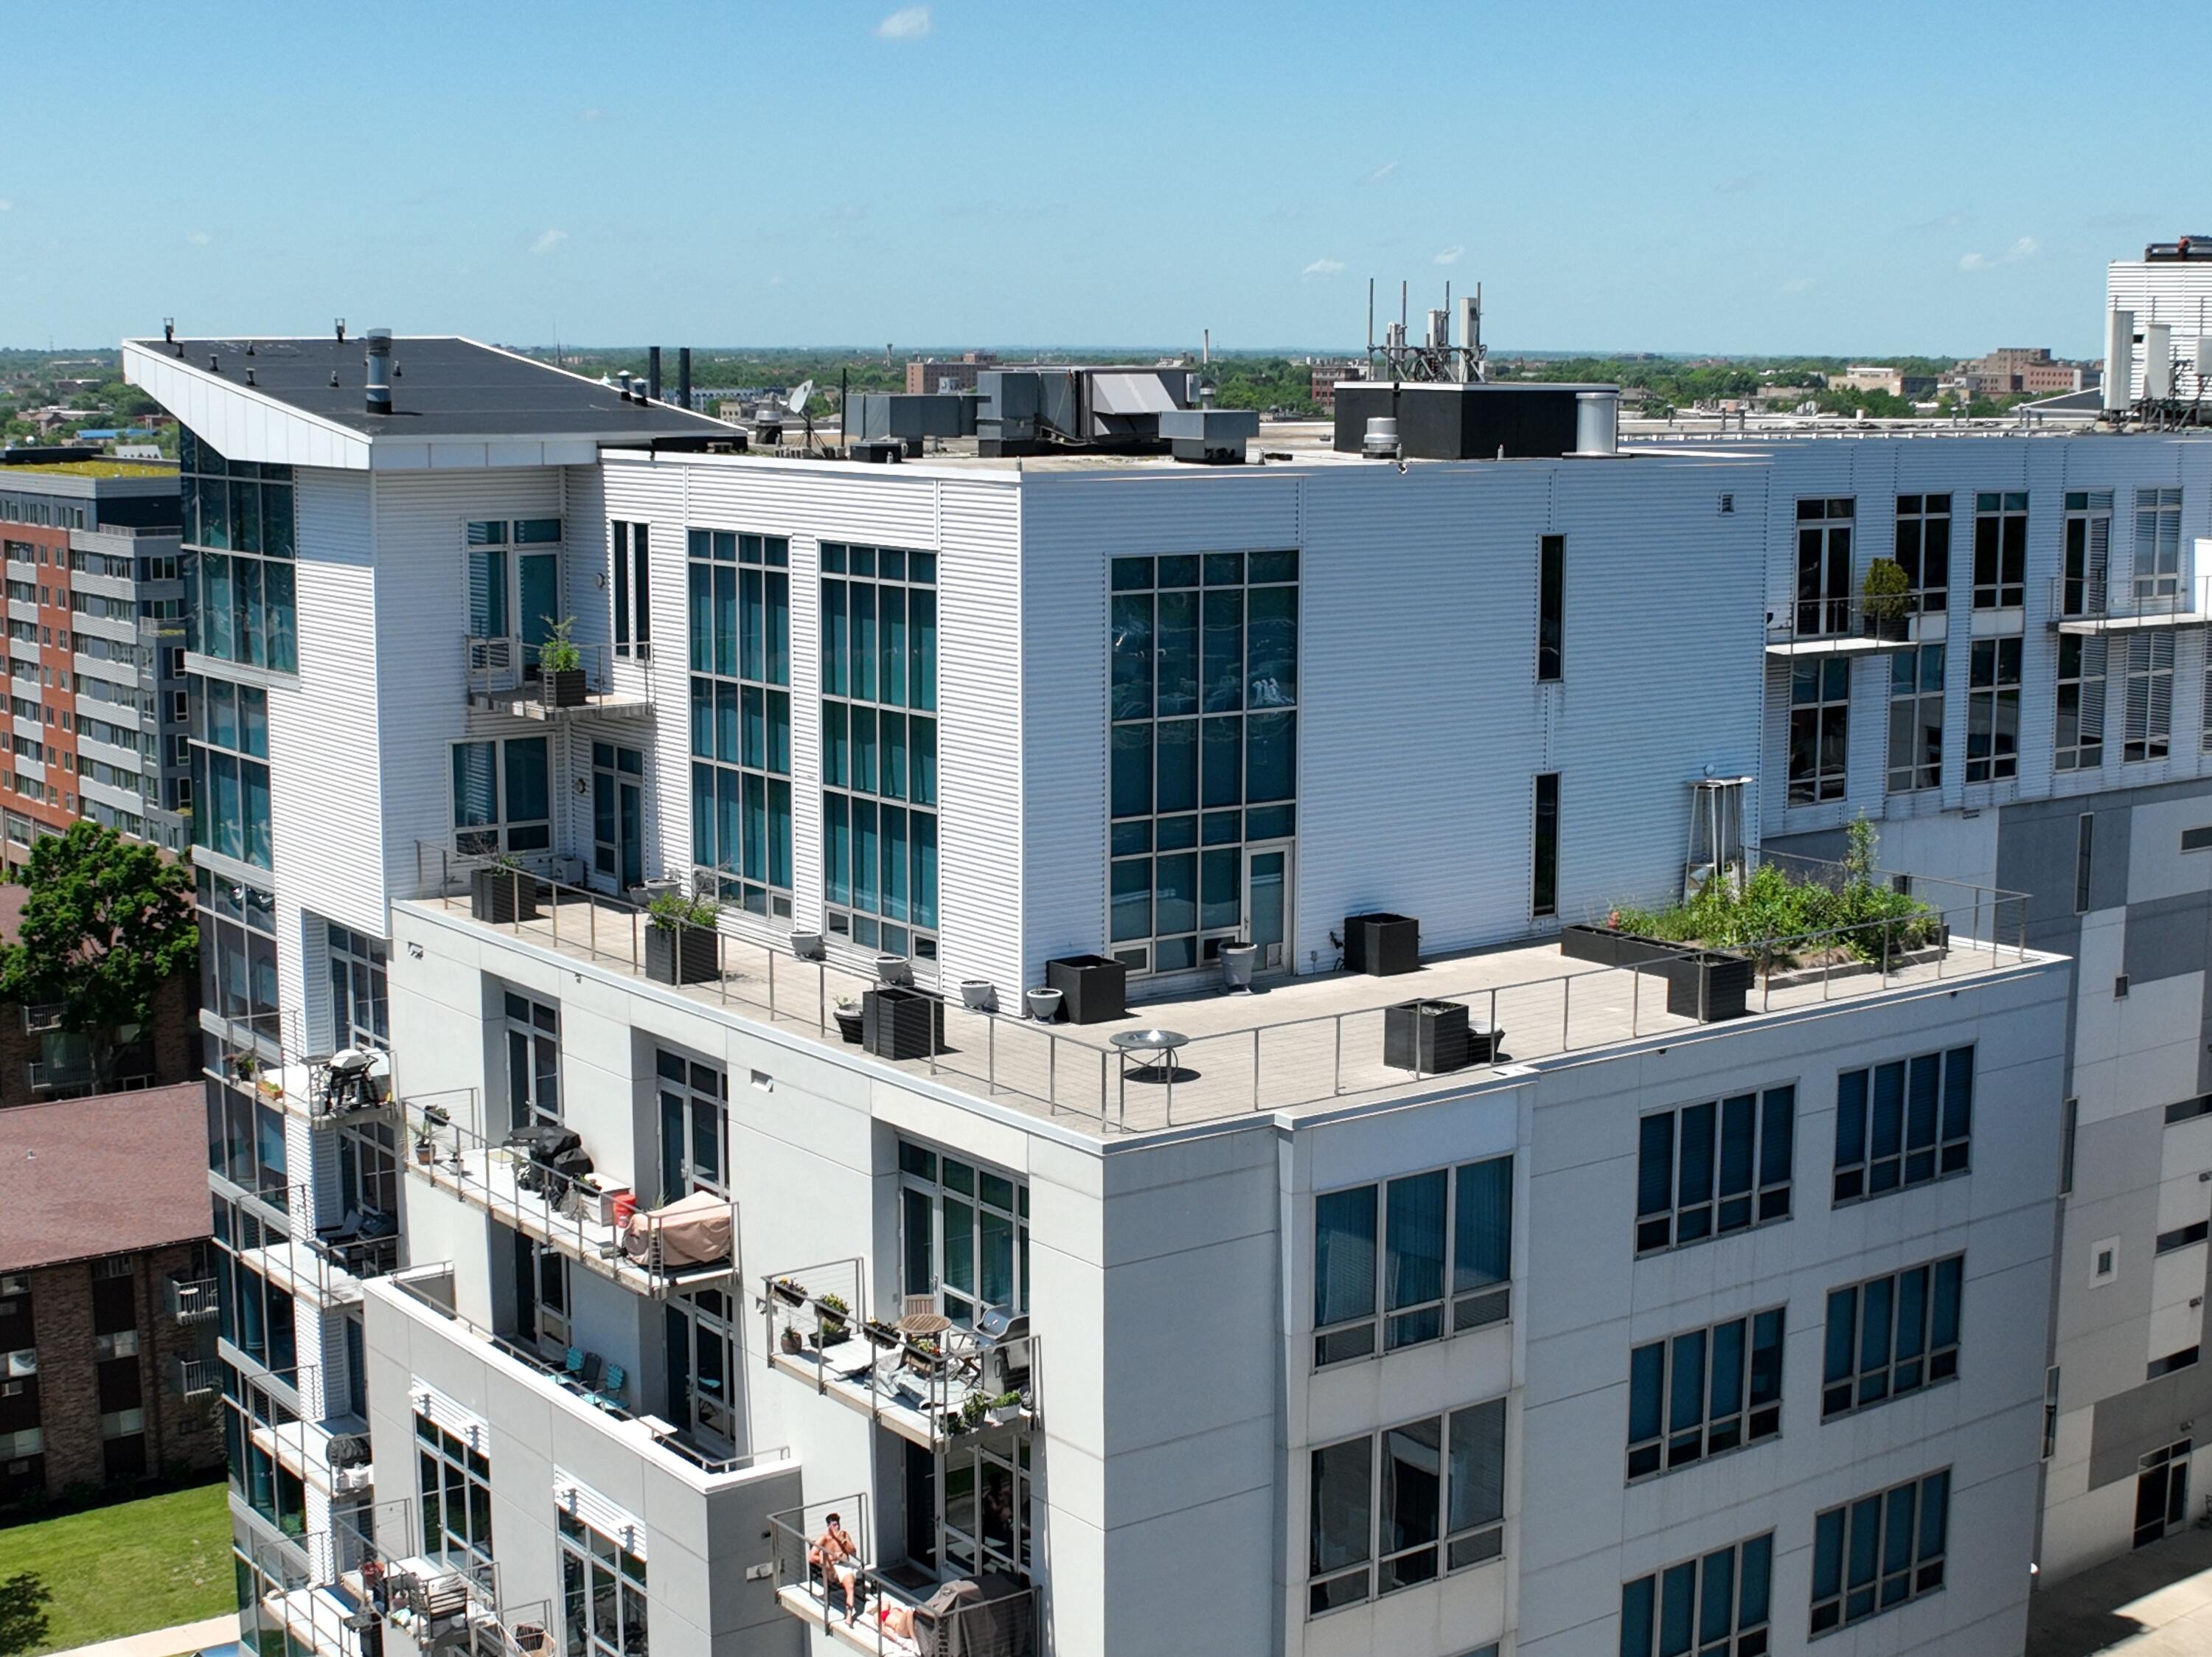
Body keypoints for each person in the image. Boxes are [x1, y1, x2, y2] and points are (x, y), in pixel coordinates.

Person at [811, 1512, 863, 1624]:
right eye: (834, 1525)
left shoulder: (844, 1535)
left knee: (850, 1586)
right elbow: (811, 1557)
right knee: (822, 1554)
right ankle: (826, 1558)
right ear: (829, 1526)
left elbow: (853, 1552)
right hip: (831, 1567)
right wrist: (832, 1557)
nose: (837, 1527)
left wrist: (843, 1541)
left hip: (845, 1567)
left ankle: (849, 1614)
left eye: (838, 1524)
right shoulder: (824, 1539)